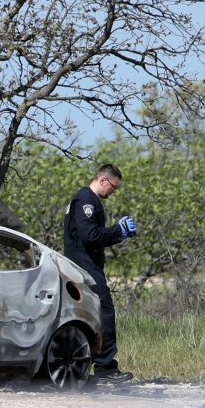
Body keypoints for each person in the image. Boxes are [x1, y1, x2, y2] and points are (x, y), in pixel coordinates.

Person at [63, 163, 137, 385]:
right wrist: (117, 230)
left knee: (86, 316)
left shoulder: (88, 200)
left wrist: (119, 235)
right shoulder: (86, 201)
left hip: (85, 264)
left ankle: (82, 365)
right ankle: (105, 368)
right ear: (103, 180)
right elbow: (90, 236)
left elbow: (93, 237)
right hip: (85, 266)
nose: (113, 192)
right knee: (104, 312)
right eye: (113, 187)